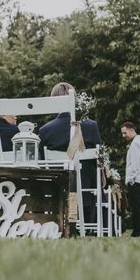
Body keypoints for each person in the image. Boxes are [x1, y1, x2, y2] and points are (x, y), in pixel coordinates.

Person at [39, 82, 102, 228]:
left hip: (57, 189)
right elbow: (99, 159)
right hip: (85, 190)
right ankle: (89, 226)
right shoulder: (91, 126)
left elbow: (42, 162)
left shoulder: (45, 130)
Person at [121, 121, 140, 238]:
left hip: (136, 180)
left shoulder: (136, 143)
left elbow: (135, 164)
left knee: (136, 206)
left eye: (125, 133)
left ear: (132, 130)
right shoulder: (138, 142)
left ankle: (139, 231)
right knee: (137, 206)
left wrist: (130, 179)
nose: (123, 136)